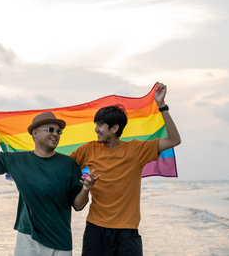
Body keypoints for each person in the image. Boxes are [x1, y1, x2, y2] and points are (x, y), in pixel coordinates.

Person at [0, 110, 99, 256]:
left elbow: (78, 205)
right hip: (28, 239)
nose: (55, 134)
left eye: (59, 131)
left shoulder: (69, 164)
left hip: (60, 242)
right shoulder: (17, 160)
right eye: (50, 129)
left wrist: (86, 189)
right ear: (35, 133)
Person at [70, 82, 181, 256]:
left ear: (114, 128)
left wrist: (161, 105)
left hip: (127, 232)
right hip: (95, 230)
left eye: (100, 125)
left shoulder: (136, 150)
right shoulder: (88, 149)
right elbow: (62, 167)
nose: (96, 129)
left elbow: (174, 140)